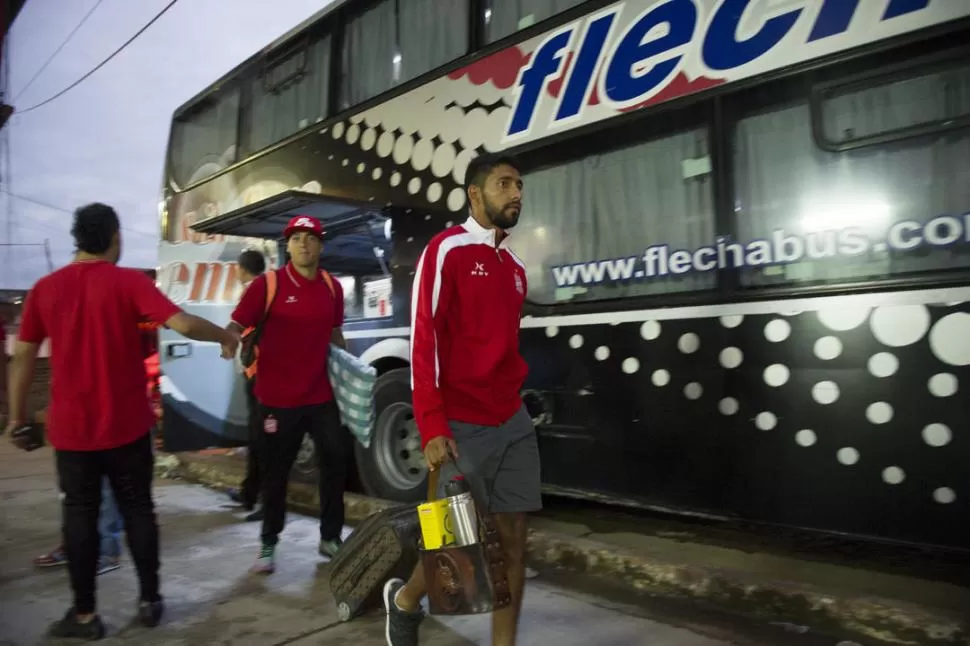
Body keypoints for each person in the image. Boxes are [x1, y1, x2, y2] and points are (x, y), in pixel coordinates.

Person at [5, 203, 239, 640]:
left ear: (77, 239)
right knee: (138, 511)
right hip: (128, 430)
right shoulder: (129, 282)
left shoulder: (45, 289)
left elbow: (21, 356)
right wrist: (225, 336)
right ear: (114, 236)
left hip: (73, 434)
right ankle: (150, 602)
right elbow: (182, 323)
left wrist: (17, 417)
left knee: (79, 516)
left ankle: (84, 616)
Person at [382, 154, 540, 646]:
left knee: (513, 543)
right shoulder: (445, 249)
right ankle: (405, 602)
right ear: (475, 194)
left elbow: (505, 345)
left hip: (511, 421)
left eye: (519, 184)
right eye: (504, 183)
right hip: (459, 424)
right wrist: (431, 425)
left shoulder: (514, 267)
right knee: (454, 547)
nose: (516, 193)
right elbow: (423, 337)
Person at [228, 216, 351, 575]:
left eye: (310, 239)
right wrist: (227, 339)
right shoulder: (268, 285)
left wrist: (349, 366)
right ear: (288, 246)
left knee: (335, 462)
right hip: (277, 400)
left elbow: (335, 334)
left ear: (320, 246)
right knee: (275, 473)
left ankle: (330, 537)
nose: (303, 245)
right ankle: (268, 543)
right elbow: (237, 324)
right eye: (296, 239)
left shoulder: (332, 287)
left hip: (320, 396)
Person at [226, 249, 268, 522]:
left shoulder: (255, 292)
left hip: (261, 377)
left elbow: (239, 327)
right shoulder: (267, 289)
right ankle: (250, 493)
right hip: (261, 374)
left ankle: (264, 501)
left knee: (264, 441)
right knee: (258, 439)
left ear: (243, 269)